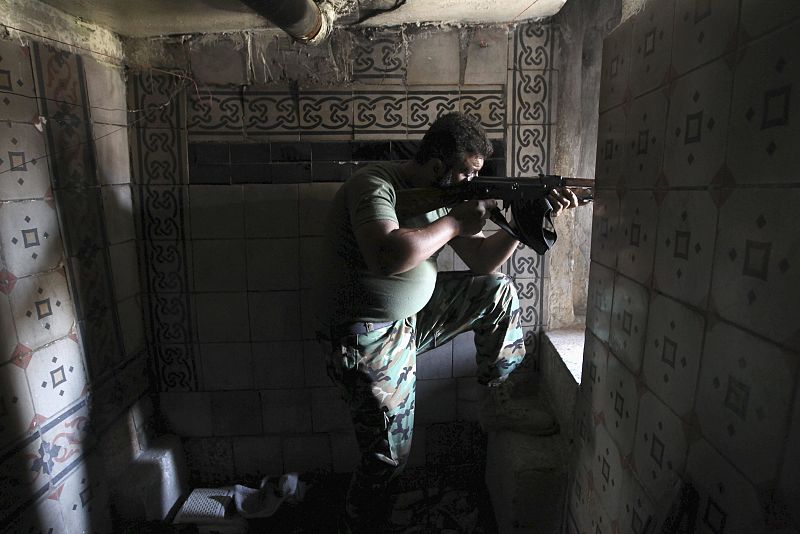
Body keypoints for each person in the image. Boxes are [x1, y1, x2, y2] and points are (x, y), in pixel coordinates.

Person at [318, 112, 579, 532]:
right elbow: (386, 255)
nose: (471, 182)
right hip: (366, 336)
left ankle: (498, 404)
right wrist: (455, 220)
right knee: (387, 458)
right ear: (439, 165)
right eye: (468, 172)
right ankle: (362, 524)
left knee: (496, 290)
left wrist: (521, 224)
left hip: (411, 320)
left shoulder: (443, 195)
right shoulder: (374, 185)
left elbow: (480, 261)